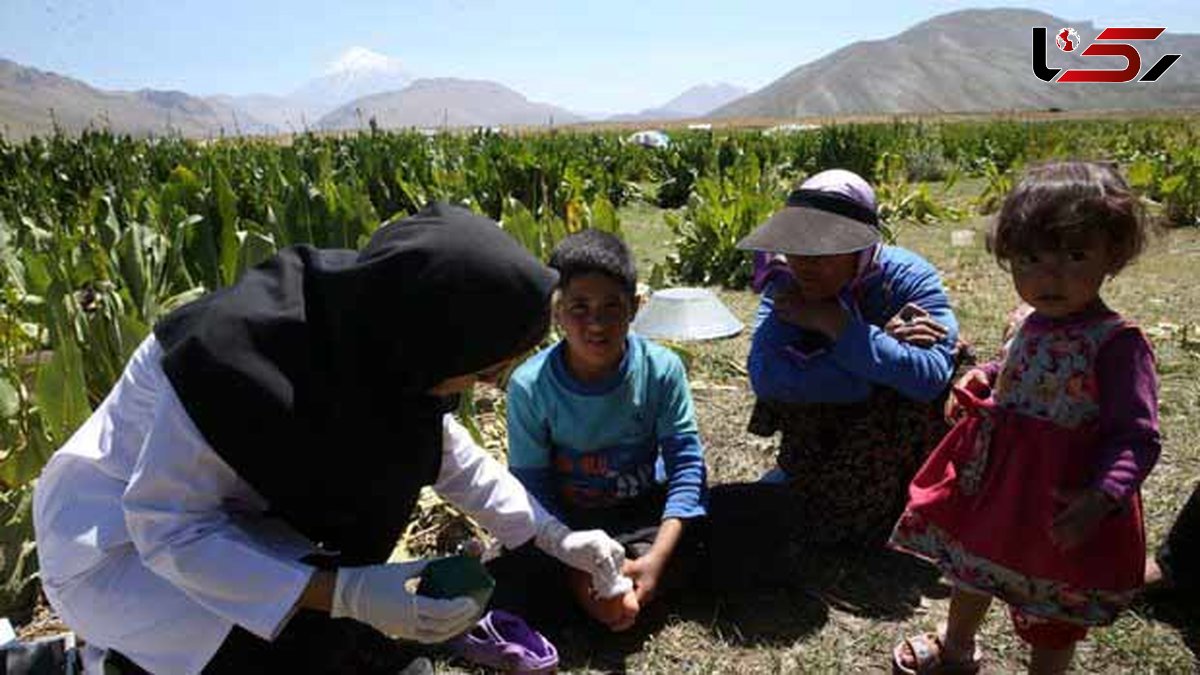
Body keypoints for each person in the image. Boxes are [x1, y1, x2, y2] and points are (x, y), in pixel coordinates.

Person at [32, 203, 628, 675]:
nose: (492, 384)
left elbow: (451, 458)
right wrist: (347, 594)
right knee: (280, 656)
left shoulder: (377, 332)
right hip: (114, 549)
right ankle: (92, 661)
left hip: (233, 525)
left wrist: (559, 538)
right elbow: (169, 533)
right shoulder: (231, 364)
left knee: (352, 647)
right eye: (484, 370)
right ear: (440, 343)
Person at [889, 162, 1160, 674]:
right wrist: (984, 376)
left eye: (1075, 256)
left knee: (1052, 608)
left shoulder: (1117, 344)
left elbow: (1137, 436)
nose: (1048, 277)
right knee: (972, 569)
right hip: (1001, 487)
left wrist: (1101, 498)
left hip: (1062, 500)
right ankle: (957, 647)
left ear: (1114, 255)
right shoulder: (1028, 320)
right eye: (1029, 259)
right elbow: (1016, 361)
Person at [706, 169, 960, 586]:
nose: (805, 264)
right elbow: (767, 375)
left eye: (823, 251)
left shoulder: (910, 279)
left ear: (862, 247)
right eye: (798, 248)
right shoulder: (787, 283)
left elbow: (932, 375)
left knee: (958, 364)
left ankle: (902, 499)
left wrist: (840, 327)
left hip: (891, 434)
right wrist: (876, 354)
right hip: (824, 426)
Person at [487, 229, 708, 633]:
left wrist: (656, 559)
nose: (596, 323)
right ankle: (608, 589)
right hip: (566, 525)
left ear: (635, 308)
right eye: (579, 307)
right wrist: (577, 570)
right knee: (505, 580)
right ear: (556, 313)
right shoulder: (530, 385)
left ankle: (642, 574)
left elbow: (687, 469)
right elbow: (533, 491)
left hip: (641, 512)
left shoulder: (661, 370)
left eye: (612, 306)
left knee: (744, 520)